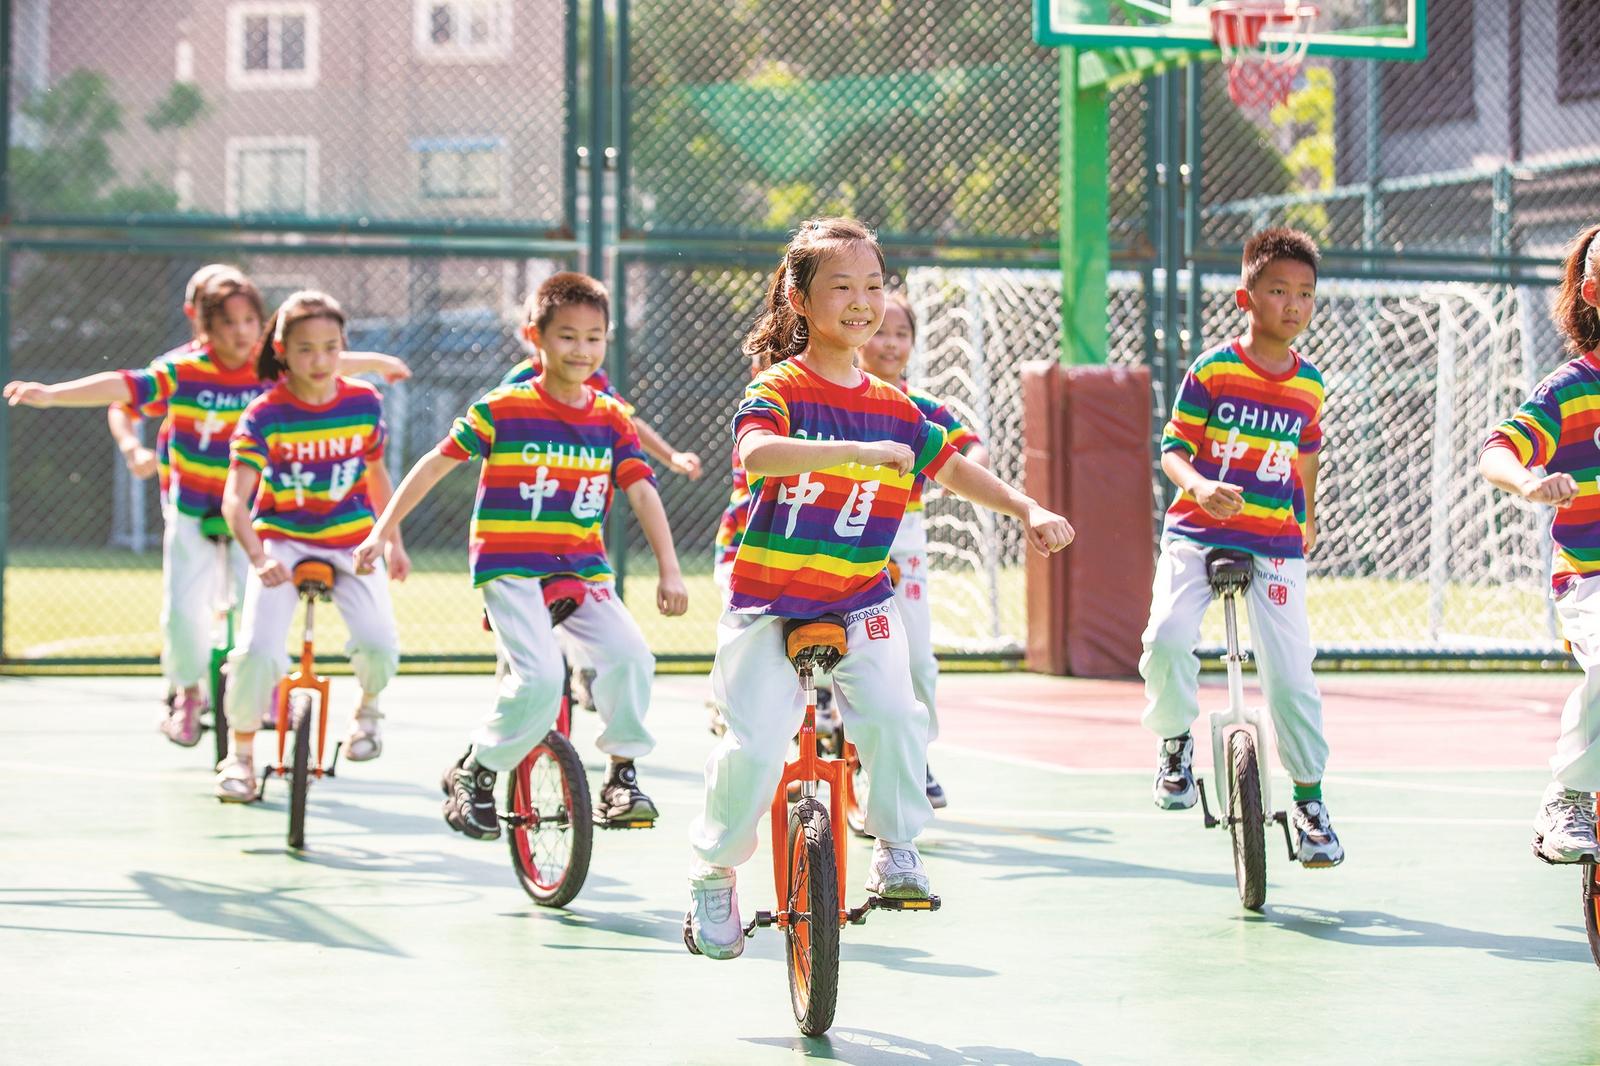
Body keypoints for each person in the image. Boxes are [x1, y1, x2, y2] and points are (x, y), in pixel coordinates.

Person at [685, 217, 1074, 960]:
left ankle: (895, 847)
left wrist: (1026, 507)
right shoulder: (779, 387)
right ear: (800, 300)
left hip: (860, 596)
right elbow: (758, 454)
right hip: (770, 600)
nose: (862, 301)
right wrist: (854, 452)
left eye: (874, 285)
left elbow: (953, 467)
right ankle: (714, 874)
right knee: (755, 748)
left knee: (899, 714)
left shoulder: (898, 406)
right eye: (842, 286)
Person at [4, 271, 410, 748]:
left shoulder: (275, 368)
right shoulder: (185, 370)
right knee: (183, 610)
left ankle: (265, 689)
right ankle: (188, 693)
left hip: (252, 513)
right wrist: (53, 395)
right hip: (194, 506)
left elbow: (322, 354)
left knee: (255, 606)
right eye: (228, 324)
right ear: (204, 328)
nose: (241, 333)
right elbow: (123, 386)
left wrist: (378, 363)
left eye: (249, 321)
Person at [353, 271, 689, 838]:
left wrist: (670, 569)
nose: (581, 350)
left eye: (594, 338)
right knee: (539, 678)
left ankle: (621, 776)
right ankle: (477, 770)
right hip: (509, 564)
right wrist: (382, 532)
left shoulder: (610, 418)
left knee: (632, 656)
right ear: (536, 337)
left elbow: (641, 491)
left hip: (580, 565)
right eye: (567, 336)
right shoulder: (504, 407)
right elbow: (434, 465)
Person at [1139, 226, 1342, 869]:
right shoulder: (1213, 370)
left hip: (1274, 542)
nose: (1293, 304)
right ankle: (1175, 744)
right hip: (1196, 533)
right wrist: (1199, 486)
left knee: (1291, 675)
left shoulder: (1310, 385)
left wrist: (1306, 518)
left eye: (1305, 293)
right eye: (1278, 290)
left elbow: (1306, 455)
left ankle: (1309, 802)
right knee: (1166, 639)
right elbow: (1173, 450)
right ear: (1245, 298)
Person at [214, 292, 406, 801]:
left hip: (351, 540)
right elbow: (234, 501)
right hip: (283, 541)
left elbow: (377, 476)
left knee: (380, 645)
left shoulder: (364, 402)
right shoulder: (265, 414)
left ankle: (367, 713)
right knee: (257, 651)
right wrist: (259, 558)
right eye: (305, 349)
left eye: (330, 347)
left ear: (343, 346)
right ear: (281, 350)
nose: (319, 360)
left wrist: (392, 541)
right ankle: (240, 755)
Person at [1478, 221, 1600, 864]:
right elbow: (1498, 449)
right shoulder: (1571, 389)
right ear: (1592, 292)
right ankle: (1568, 796)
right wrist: (1528, 482)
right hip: (1589, 577)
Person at [860, 290, 990, 808]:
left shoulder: (924, 409)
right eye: (881, 332)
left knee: (916, 658)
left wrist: (970, 469)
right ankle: (835, 735)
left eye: (902, 333)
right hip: (840, 533)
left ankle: (916, 755)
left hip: (903, 535)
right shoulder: (841, 397)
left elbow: (969, 446)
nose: (891, 343)